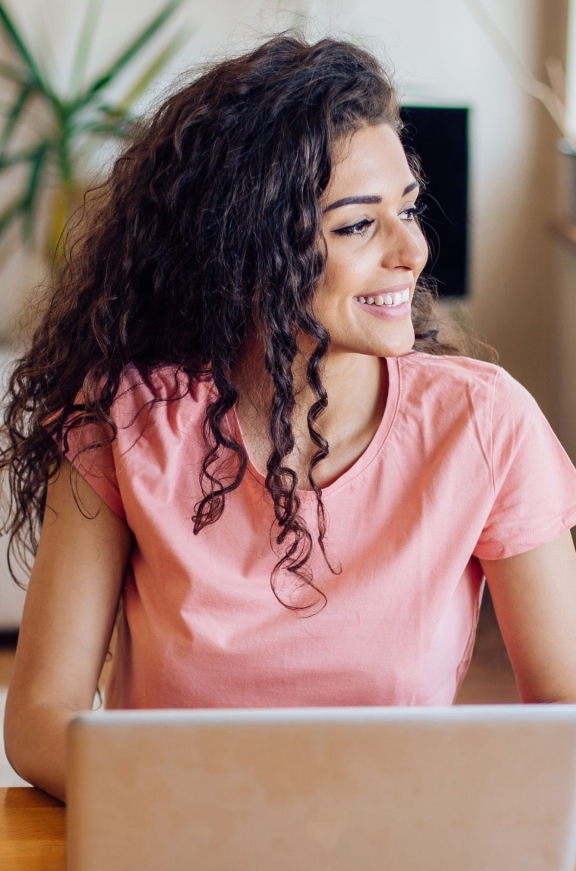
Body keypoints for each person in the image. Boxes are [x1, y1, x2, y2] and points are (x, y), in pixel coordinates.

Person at [3, 34, 576, 803]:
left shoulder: (485, 422)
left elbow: (565, 709)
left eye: (407, 208)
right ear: (246, 248)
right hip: (178, 841)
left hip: (394, 843)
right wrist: (208, 803)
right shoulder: (128, 419)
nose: (412, 248)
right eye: (357, 225)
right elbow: (39, 717)